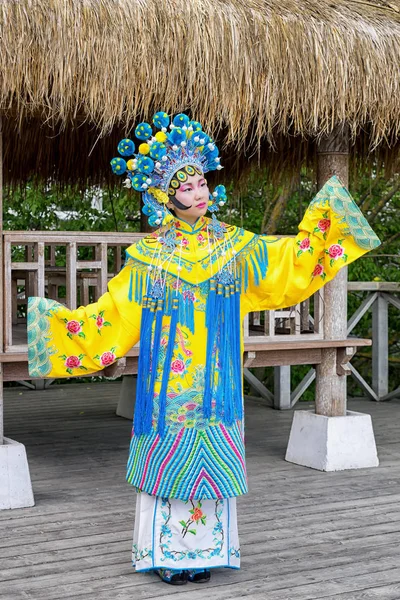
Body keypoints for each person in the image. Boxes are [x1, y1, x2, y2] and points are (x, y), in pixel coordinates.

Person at [27, 111, 381, 585]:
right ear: (166, 198)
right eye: (188, 187)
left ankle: (204, 556)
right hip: (167, 387)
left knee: (210, 462)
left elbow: (286, 267)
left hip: (217, 381)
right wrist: (53, 327)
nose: (200, 192)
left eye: (202, 183)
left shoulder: (235, 247)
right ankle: (164, 556)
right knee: (170, 466)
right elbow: (113, 316)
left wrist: (327, 223)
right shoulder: (148, 258)